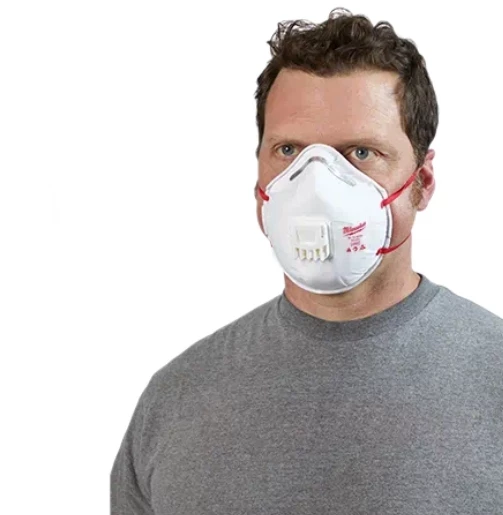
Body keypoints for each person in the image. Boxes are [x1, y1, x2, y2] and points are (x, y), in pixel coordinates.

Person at [111, 7, 503, 513]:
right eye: (290, 150)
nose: (316, 184)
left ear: (422, 183)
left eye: (360, 153)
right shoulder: (174, 401)